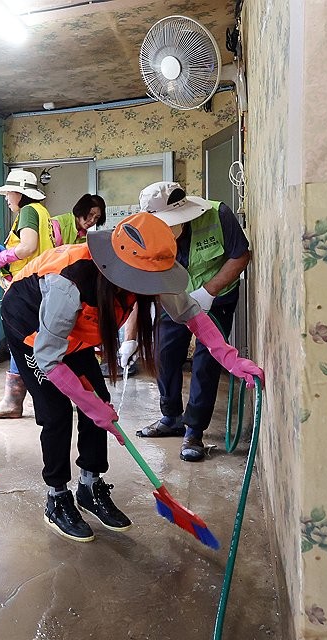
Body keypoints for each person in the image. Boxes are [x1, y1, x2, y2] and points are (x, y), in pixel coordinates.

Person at [0, 212, 263, 542]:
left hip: (73, 331)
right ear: (123, 269)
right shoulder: (68, 286)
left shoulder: (147, 270)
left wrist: (231, 359)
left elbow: (191, 315)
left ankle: (89, 486)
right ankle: (57, 497)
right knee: (56, 414)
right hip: (32, 328)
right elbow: (49, 360)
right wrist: (92, 407)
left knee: (101, 400)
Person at [132, 181, 253, 462]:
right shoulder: (146, 231)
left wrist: (208, 291)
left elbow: (241, 255)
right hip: (175, 298)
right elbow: (142, 278)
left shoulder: (217, 215)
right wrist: (129, 339)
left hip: (216, 298)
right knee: (164, 354)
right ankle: (170, 417)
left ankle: (194, 429)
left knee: (205, 362)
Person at [0, 172, 107, 418]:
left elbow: (29, 247)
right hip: (45, 289)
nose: (7, 198)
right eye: (90, 214)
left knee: (29, 342)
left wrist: (1, 258)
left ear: (19, 193)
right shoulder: (48, 216)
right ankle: (26, 398)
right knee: (41, 344)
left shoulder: (29, 212)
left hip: (33, 290)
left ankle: (17, 401)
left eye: (9, 193)